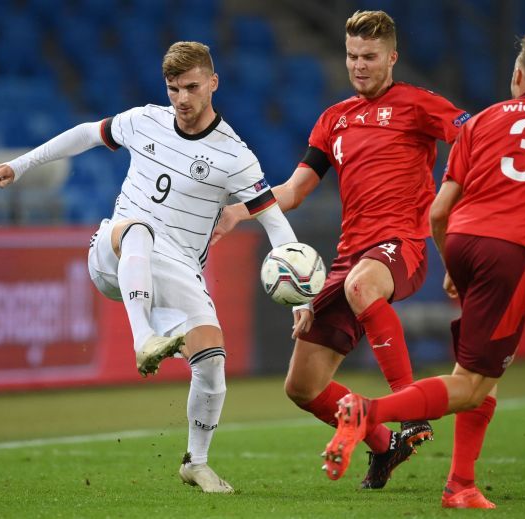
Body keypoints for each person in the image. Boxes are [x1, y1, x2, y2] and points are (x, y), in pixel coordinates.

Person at [0, 41, 303, 493]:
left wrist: (298, 304)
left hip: (177, 269)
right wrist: (20, 165)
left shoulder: (235, 156)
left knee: (212, 361)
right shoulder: (144, 119)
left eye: (192, 87)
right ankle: (144, 339)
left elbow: (275, 223)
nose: (182, 99)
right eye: (174, 88)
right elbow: (85, 134)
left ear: (213, 83)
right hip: (113, 252)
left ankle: (196, 461)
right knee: (137, 228)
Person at [322, 28, 525, 508]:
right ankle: (367, 411)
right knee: (471, 386)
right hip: (514, 250)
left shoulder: (482, 121)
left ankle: (460, 484)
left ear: (517, 76)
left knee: (480, 374)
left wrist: (453, 265)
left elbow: (439, 212)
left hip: (462, 238)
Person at [211, 10, 470, 489]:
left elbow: (472, 134)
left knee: (363, 282)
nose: (359, 65)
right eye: (352, 56)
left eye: (370, 56)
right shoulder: (334, 119)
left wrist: (457, 189)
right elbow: (292, 190)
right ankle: (385, 446)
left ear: (392, 57)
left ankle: (410, 409)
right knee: (302, 386)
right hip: (350, 258)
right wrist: (240, 211)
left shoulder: (418, 104)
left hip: (401, 247)